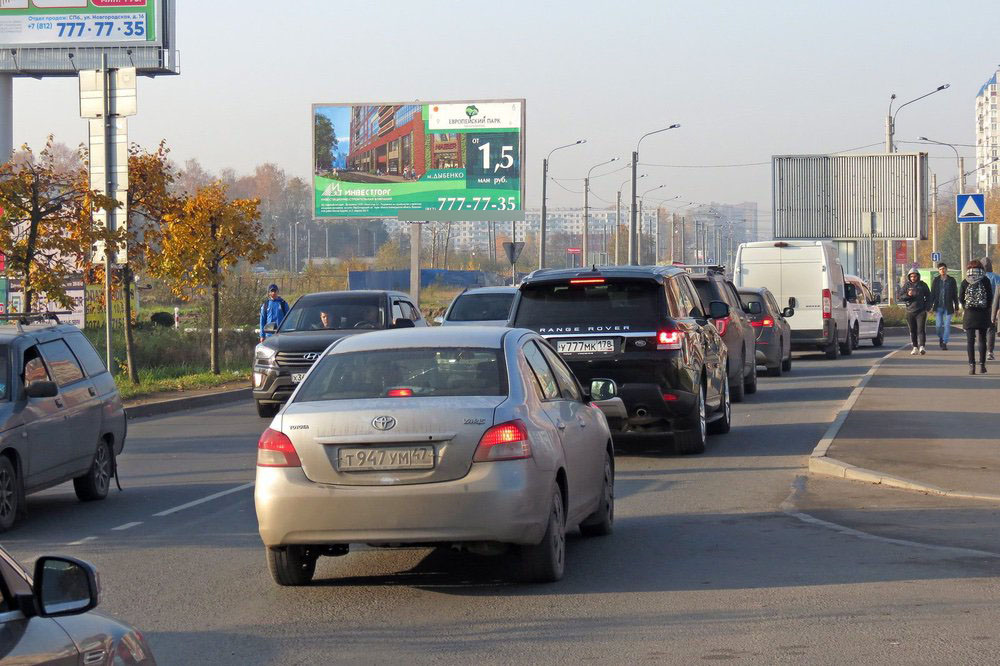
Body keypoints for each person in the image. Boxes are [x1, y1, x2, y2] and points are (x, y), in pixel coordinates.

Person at [959, 260, 994, 375]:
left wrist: (966, 308)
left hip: (970, 314)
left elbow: (960, 298)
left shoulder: (965, 281)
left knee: (970, 341)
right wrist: (986, 308)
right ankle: (982, 365)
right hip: (983, 313)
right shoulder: (985, 280)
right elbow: (990, 297)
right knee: (982, 339)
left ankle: (971, 366)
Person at [899, 267, 931, 355]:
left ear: (918, 276)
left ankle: (922, 347)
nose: (913, 278)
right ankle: (915, 347)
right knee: (912, 330)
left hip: (921, 311)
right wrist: (908, 295)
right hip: (910, 311)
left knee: (921, 329)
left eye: (915, 276)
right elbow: (901, 297)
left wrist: (927, 307)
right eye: (911, 276)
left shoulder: (922, 285)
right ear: (909, 277)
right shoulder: (906, 285)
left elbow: (929, 296)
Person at [930, 262, 959, 350]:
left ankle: (944, 342)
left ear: (946, 269)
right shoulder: (936, 280)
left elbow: (955, 294)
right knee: (938, 326)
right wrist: (930, 306)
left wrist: (956, 308)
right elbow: (933, 294)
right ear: (938, 271)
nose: (942, 270)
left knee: (947, 325)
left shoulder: (952, 280)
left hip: (948, 307)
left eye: (944, 268)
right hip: (938, 307)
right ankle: (941, 338)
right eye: (940, 269)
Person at [983, 258, 1000, 359]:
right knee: (991, 328)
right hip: (994, 306)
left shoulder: (979, 277)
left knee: (981, 330)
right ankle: (990, 351)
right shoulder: (997, 277)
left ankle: (983, 347)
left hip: (981, 307)